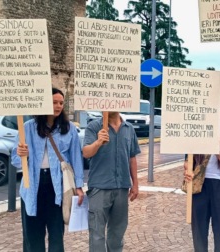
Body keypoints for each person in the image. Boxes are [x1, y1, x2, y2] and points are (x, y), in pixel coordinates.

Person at [11, 87, 85, 252]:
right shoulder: (28, 127)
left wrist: (79, 187)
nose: (58, 106)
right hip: (32, 187)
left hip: (57, 187)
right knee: (32, 236)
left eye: (61, 103)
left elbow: (76, 159)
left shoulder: (69, 128)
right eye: (54, 102)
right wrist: (21, 154)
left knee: (56, 235)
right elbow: (15, 162)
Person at [83, 111, 140, 252]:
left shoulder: (129, 128)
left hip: (122, 187)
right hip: (99, 188)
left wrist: (135, 184)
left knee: (117, 233)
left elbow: (132, 157)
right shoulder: (93, 126)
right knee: (97, 234)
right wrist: (98, 142)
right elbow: (86, 152)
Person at [184, 107, 220, 252]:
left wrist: (218, 153)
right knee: (199, 229)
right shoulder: (197, 134)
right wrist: (188, 172)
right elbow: (187, 163)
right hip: (200, 185)